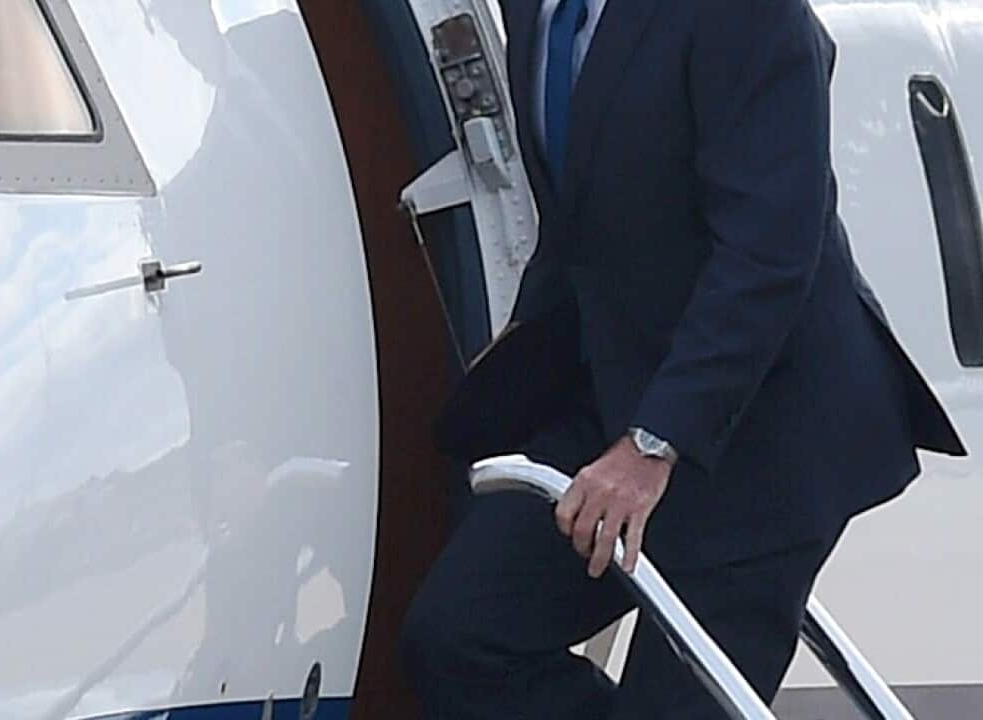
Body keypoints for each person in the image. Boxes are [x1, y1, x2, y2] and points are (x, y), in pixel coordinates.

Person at [401, 0, 967, 717]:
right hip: (616, 406)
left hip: (763, 440)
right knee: (458, 639)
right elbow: (578, 220)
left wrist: (654, 443)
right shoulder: (539, 13)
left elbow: (766, 254)